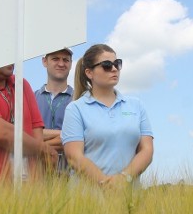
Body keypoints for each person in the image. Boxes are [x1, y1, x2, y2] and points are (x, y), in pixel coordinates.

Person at [61, 44, 154, 187]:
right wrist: (107, 184)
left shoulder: (137, 105)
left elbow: (147, 150)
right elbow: (74, 156)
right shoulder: (75, 109)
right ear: (89, 73)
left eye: (117, 64)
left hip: (129, 198)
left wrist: (124, 178)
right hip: (86, 199)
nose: (114, 68)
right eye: (106, 65)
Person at [34, 48, 74, 173]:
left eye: (65, 60)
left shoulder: (80, 99)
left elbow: (85, 138)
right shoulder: (30, 98)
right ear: (44, 61)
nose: (61, 64)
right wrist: (66, 134)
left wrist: (36, 143)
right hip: (35, 174)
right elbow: (23, 134)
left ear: (71, 63)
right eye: (55, 59)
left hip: (72, 176)